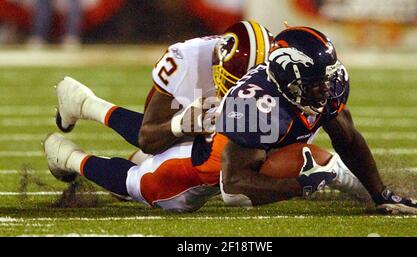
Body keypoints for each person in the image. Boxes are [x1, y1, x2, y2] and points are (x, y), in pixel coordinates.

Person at [43, 21, 274, 212]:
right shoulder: (186, 63)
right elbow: (148, 138)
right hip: (186, 103)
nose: (244, 92)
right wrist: (178, 125)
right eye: (237, 84)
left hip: (212, 118)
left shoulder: (278, 62)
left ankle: (82, 102)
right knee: (159, 171)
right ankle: (68, 153)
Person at [217, 26, 417, 215]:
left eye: (327, 79)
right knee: (306, 160)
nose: (326, 89)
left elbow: (348, 140)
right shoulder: (253, 104)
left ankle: (347, 179)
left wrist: (380, 194)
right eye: (315, 83)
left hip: (271, 141)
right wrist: (299, 186)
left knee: (313, 161)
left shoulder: (323, 86)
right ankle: (333, 170)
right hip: (208, 166)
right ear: (287, 81)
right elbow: (233, 190)